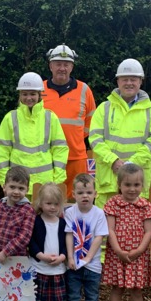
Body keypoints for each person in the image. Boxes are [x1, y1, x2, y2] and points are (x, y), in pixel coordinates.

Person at [89, 58, 151, 208]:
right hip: (108, 184)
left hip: (136, 186)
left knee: (134, 228)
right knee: (104, 229)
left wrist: (131, 165)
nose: (129, 83)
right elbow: (95, 139)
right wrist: (113, 161)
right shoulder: (104, 108)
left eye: (133, 79)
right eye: (125, 79)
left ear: (140, 81)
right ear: (118, 81)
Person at [103, 163, 151, 301]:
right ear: (119, 185)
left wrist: (139, 250)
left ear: (142, 185)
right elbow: (110, 229)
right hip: (117, 254)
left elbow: (149, 231)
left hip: (138, 256)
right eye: (127, 185)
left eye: (136, 185)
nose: (132, 189)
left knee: (136, 290)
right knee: (117, 288)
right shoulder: (113, 204)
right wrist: (118, 250)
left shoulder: (145, 206)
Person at [0, 72, 69, 195]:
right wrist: (5, 181)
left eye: (33, 94)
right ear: (19, 95)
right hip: (17, 185)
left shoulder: (50, 118)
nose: (28, 98)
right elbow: (2, 151)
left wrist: (57, 180)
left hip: (45, 184)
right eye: (24, 94)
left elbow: (60, 149)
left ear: (40, 94)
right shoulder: (10, 118)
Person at [42, 44, 96, 199]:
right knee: (49, 201)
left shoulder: (84, 90)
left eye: (66, 64)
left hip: (76, 157)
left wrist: (74, 138)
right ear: (50, 65)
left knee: (76, 201)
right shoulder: (40, 89)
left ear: (72, 67)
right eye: (58, 64)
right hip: (47, 158)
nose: (62, 68)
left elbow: (90, 125)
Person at [64, 173, 108, 301]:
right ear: (73, 194)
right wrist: (70, 257)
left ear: (95, 194)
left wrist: (89, 257)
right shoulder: (70, 212)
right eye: (81, 193)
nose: (85, 196)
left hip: (93, 265)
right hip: (74, 265)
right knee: (73, 296)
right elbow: (69, 235)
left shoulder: (98, 214)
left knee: (92, 296)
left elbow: (99, 237)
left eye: (89, 193)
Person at [29, 182, 67, 301]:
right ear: (40, 203)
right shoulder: (36, 221)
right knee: (37, 300)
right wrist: (41, 256)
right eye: (48, 203)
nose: (52, 207)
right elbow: (31, 242)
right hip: (39, 267)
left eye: (56, 204)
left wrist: (63, 257)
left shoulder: (63, 223)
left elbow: (67, 243)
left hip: (57, 268)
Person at [0, 165, 35, 263]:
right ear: (4, 187)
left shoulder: (28, 210)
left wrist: (5, 252)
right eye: (12, 187)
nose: (16, 192)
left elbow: (24, 236)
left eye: (21, 188)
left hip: (15, 259)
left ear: (27, 190)